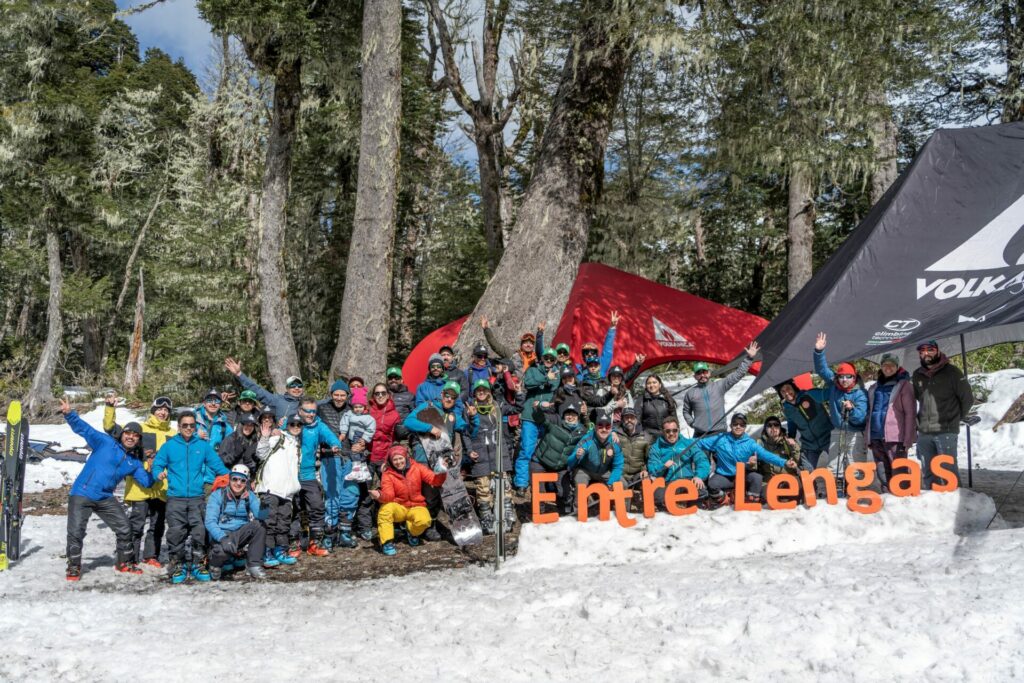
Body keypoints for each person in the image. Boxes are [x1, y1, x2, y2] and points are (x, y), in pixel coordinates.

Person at [60, 398, 156, 581]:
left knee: (125, 528)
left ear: (138, 440)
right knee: (76, 531)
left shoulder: (134, 463)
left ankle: (123, 563)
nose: (131, 437)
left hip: (105, 497)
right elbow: (84, 429)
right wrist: (69, 414)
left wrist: (153, 471)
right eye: (128, 433)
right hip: (82, 493)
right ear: (122, 434)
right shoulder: (104, 442)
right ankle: (73, 567)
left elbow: (147, 483)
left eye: (135, 435)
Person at [151, 410, 230, 584]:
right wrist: (158, 473)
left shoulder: (202, 446)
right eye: (185, 425)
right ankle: (177, 564)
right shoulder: (170, 445)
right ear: (178, 427)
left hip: (197, 497)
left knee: (199, 532)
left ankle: (197, 563)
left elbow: (218, 465)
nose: (188, 428)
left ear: (195, 427)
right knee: (176, 533)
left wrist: (232, 478)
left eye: (191, 425)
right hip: (175, 498)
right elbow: (158, 464)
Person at [102, 393, 172, 568]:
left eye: (166, 410)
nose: (162, 413)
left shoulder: (173, 433)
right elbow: (111, 429)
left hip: (162, 487)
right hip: (140, 486)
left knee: (157, 525)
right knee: (137, 524)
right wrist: (110, 408)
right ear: (153, 411)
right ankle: (130, 557)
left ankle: (151, 555)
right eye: (159, 409)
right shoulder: (139, 428)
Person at [403, 381, 478, 540]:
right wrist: (429, 428)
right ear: (441, 394)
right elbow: (408, 422)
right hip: (424, 457)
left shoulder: (453, 416)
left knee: (446, 493)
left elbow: (468, 430)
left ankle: (434, 525)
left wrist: (473, 418)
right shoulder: (427, 407)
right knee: (428, 494)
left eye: (453, 397)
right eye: (447, 395)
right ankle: (421, 527)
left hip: (444, 458)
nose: (449, 399)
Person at [813, 333, 877, 492]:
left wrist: (852, 409)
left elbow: (861, 417)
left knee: (856, 464)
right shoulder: (834, 385)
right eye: (841, 376)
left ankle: (857, 493)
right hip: (837, 431)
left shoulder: (860, 393)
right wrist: (819, 352)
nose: (844, 380)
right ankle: (836, 492)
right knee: (834, 465)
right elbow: (822, 370)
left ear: (854, 377)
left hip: (856, 433)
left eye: (848, 377)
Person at [912, 339, 974, 490]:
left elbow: (967, 399)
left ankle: (955, 505)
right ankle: (933, 506)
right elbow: (915, 399)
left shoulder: (952, 372)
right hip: (924, 432)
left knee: (948, 471)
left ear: (938, 351)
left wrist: (955, 418)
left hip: (945, 431)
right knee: (927, 472)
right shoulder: (917, 375)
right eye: (922, 351)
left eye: (930, 350)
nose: (926, 353)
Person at [698, 413, 797, 503]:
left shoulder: (750, 443)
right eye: (735, 424)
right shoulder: (720, 439)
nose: (738, 427)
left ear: (745, 427)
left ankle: (751, 500)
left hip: (743, 475)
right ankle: (725, 498)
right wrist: (684, 443)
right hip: (725, 476)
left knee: (757, 477)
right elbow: (698, 443)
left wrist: (784, 462)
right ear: (730, 425)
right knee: (712, 484)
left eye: (741, 425)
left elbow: (767, 455)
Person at [369, 444, 448, 556]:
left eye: (400, 458)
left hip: (416, 505)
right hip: (399, 507)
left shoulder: (417, 467)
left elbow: (435, 481)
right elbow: (389, 496)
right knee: (385, 510)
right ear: (391, 461)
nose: (398, 462)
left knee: (425, 520)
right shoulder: (388, 474)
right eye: (395, 459)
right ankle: (386, 542)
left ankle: (411, 532)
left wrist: (442, 472)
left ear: (405, 457)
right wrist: (379, 495)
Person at [462, 379, 517, 534]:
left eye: (484, 390)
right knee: (483, 488)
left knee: (504, 486)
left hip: (499, 453)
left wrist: (518, 393)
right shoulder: (470, 410)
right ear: (474, 393)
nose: (481, 393)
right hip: (480, 454)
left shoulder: (497, 407)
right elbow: (466, 433)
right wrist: (469, 450)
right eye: (478, 390)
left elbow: (517, 408)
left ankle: (507, 512)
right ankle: (486, 516)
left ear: (489, 393)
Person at [291, 397, 343, 557]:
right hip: (290, 474)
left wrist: (336, 445)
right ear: (299, 410)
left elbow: (331, 437)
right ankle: (294, 543)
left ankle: (314, 543)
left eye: (313, 411)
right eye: (307, 411)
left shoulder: (318, 425)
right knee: (292, 509)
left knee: (317, 506)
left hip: (308, 474)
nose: (311, 414)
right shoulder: (291, 424)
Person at [680, 342, 760, 437]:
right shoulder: (690, 393)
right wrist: (692, 423)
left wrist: (749, 358)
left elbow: (738, 374)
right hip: (700, 435)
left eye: (704, 372)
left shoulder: (719, 386)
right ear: (695, 376)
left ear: (709, 373)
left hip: (719, 433)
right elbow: (686, 411)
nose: (702, 375)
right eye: (699, 373)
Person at [254, 411, 301, 568]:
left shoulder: (296, 445)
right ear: (287, 426)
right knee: (269, 521)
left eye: (298, 424)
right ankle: (266, 551)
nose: (295, 427)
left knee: (284, 522)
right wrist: (265, 436)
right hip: (270, 488)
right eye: (292, 424)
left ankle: (280, 550)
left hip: (287, 491)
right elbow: (261, 453)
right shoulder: (278, 437)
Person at [205, 464, 267, 580]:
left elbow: (260, 516)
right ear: (230, 479)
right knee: (221, 552)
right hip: (222, 534)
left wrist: (265, 507)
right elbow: (209, 522)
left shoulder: (250, 496)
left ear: (246, 482)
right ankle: (214, 565)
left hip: (240, 533)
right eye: (235, 479)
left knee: (260, 525)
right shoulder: (218, 495)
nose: (238, 483)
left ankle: (254, 564)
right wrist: (223, 538)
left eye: (242, 480)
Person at [528, 398, 589, 514]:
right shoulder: (555, 421)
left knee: (564, 492)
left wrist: (586, 415)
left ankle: (565, 516)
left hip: (560, 466)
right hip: (540, 461)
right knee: (538, 491)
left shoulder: (582, 431)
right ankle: (538, 517)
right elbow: (538, 418)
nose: (570, 417)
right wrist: (539, 406)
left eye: (573, 414)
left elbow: (595, 432)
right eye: (567, 414)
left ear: (578, 416)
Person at [866, 354, 917, 491]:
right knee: (882, 472)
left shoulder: (904, 386)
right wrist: (868, 437)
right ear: (881, 367)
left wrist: (908, 439)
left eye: (892, 365)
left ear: (897, 367)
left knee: (899, 471)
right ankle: (888, 500)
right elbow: (869, 413)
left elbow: (910, 414)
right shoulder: (874, 387)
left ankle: (902, 499)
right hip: (876, 436)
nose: (888, 368)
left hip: (896, 438)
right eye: (885, 365)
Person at [514, 348, 560, 495]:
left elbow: (554, 386)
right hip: (530, 417)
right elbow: (528, 383)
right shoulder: (532, 370)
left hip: (546, 418)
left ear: (555, 361)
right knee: (526, 450)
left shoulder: (557, 373)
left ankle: (546, 483)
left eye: (552, 359)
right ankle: (521, 483)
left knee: (546, 452)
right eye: (546, 357)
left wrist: (548, 379)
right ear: (542, 358)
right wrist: (546, 378)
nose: (548, 361)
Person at [336, 387, 377, 541]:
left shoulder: (368, 418)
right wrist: (343, 433)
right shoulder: (348, 414)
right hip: (350, 438)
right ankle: (357, 468)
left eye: (360, 407)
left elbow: (371, 428)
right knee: (354, 455)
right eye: (355, 407)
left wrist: (365, 439)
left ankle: (360, 469)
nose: (358, 409)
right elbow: (345, 423)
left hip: (361, 438)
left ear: (364, 407)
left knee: (358, 455)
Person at [647, 416, 710, 509]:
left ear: (678, 430)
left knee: (702, 492)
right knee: (658, 497)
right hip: (669, 483)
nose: (671, 433)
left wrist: (699, 476)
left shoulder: (688, 443)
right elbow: (652, 467)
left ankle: (688, 505)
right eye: (668, 431)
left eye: (674, 430)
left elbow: (701, 459)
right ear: (663, 432)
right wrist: (663, 466)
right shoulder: (656, 447)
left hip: (688, 480)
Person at [776, 379, 832, 471]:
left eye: (788, 388)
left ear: (794, 388)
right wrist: (790, 436)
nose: (786, 393)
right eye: (783, 391)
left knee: (839, 465)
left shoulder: (810, 395)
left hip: (828, 438)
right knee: (806, 472)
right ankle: (812, 485)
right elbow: (792, 424)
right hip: (809, 444)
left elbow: (831, 393)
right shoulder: (787, 409)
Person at [224, 356, 305, 420]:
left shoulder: (307, 403)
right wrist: (239, 374)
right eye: (293, 386)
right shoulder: (277, 400)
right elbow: (257, 390)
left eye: (299, 386)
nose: (296, 388)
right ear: (287, 388)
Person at [568, 414, 624, 492]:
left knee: (623, 484)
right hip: (585, 471)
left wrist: (611, 482)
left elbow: (618, 466)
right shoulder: (586, 440)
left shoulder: (615, 443)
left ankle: (620, 504)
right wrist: (576, 456)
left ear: (611, 429)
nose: (604, 429)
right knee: (581, 486)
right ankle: (577, 504)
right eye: (600, 426)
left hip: (604, 471)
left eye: (607, 426)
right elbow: (570, 463)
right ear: (595, 427)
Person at [573, 311, 619, 379]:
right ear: (583, 357)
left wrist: (612, 328)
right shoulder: (579, 373)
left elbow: (607, 349)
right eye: (586, 352)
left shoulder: (602, 365)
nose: (589, 354)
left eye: (592, 352)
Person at [757, 416, 799, 485]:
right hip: (769, 481)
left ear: (780, 428)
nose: (773, 428)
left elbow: (798, 461)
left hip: (788, 479)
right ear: (765, 429)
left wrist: (794, 446)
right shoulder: (760, 444)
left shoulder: (788, 441)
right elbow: (755, 465)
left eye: (776, 425)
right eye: (769, 425)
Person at [634, 374, 678, 439]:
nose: (651, 385)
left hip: (667, 435)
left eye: (654, 382)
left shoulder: (667, 398)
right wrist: (640, 434)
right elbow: (637, 419)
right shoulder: (642, 399)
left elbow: (674, 418)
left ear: (660, 384)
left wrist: (676, 432)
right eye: (649, 383)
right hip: (649, 436)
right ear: (646, 386)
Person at [616, 407, 651, 487]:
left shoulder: (645, 437)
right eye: (626, 418)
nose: (629, 420)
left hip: (638, 475)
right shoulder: (616, 435)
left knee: (647, 481)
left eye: (632, 417)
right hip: (620, 475)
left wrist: (645, 471)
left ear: (636, 420)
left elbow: (649, 459)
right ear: (622, 420)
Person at [195, 388, 232, 453]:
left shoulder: (225, 426)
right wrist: (196, 436)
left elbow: (233, 444)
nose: (213, 403)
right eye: (209, 400)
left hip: (214, 461)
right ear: (204, 403)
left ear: (220, 404)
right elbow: (180, 440)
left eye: (217, 400)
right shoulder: (192, 419)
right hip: (194, 461)